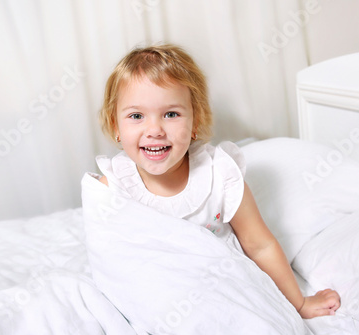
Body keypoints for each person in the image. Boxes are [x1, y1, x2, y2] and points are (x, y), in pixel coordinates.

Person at [95, 43, 340, 319]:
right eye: (136, 116)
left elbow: (259, 244)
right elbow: (112, 262)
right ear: (116, 126)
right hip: (157, 302)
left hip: (223, 291)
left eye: (171, 114)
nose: (154, 130)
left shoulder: (219, 174)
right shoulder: (113, 187)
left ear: (195, 121)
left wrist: (300, 304)